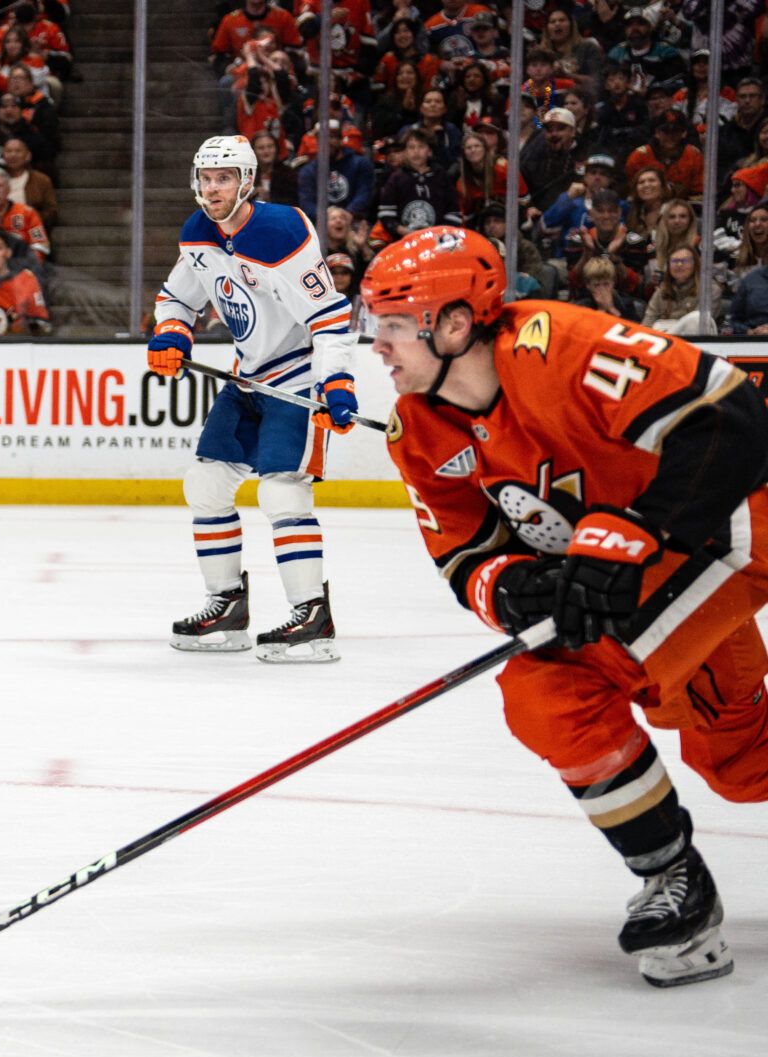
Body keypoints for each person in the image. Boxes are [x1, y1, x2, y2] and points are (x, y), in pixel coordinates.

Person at [359, 225, 768, 989]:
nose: (376, 344)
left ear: (452, 323)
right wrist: (518, 587)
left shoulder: (558, 345)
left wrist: (633, 532)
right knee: (741, 766)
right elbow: (463, 556)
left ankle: (679, 885)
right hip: (652, 576)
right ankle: (671, 873)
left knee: (551, 683)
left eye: (391, 324)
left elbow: (730, 419)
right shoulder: (415, 427)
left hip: (735, 523)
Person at [148, 135, 357, 663]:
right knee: (207, 483)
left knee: (283, 493)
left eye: (224, 178)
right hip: (249, 377)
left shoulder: (281, 231)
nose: (213, 188)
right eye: (206, 178)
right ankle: (227, 607)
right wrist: (173, 331)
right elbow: (178, 295)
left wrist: (336, 381)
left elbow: (330, 316)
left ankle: (312, 617)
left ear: (247, 182)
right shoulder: (198, 233)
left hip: (298, 375)